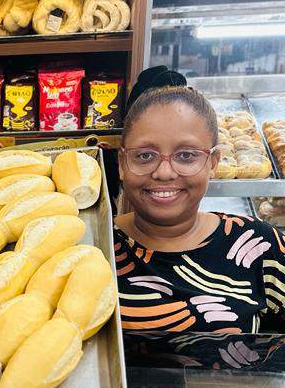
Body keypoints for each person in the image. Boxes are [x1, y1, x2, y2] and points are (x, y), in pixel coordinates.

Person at [115, 78, 285, 334]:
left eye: (186, 155)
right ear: (121, 163)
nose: (164, 172)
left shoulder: (261, 246)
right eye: (145, 155)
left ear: (213, 163)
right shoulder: (94, 246)